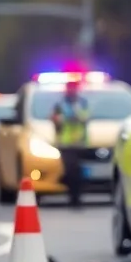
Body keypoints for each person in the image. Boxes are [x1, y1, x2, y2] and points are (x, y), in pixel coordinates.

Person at [51, 80, 90, 208]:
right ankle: (72, 197)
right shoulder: (60, 104)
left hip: (80, 143)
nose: (72, 91)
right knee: (70, 171)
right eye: (70, 88)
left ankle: (77, 197)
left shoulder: (82, 103)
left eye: (74, 88)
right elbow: (54, 119)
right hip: (66, 143)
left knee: (78, 172)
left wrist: (75, 116)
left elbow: (86, 117)